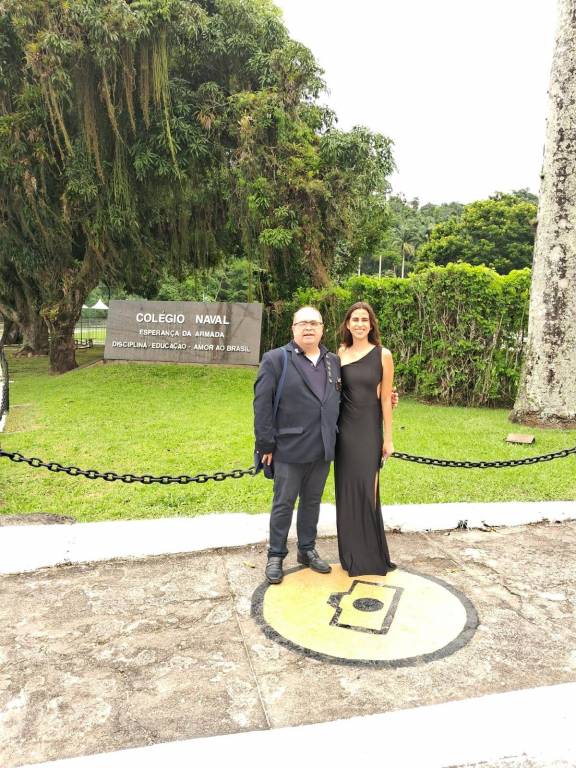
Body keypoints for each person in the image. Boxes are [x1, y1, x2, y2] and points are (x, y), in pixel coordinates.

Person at [253, 306, 341, 584]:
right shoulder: (276, 359)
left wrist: (387, 398)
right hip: (288, 448)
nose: (309, 328)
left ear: (322, 328)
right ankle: (276, 554)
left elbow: (343, 399)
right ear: (293, 328)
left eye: (314, 323)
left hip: (322, 447)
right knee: (284, 503)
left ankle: (307, 549)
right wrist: (265, 445)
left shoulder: (333, 361)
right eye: (303, 323)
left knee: (312, 502)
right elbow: (262, 405)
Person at [335, 301, 396, 576]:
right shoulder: (340, 353)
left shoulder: (384, 355)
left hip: (369, 431)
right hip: (344, 432)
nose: (359, 324)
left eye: (364, 319)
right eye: (355, 319)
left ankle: (371, 556)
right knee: (347, 491)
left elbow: (385, 399)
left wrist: (388, 438)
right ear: (348, 325)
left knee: (367, 491)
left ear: (371, 325)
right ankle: (350, 555)